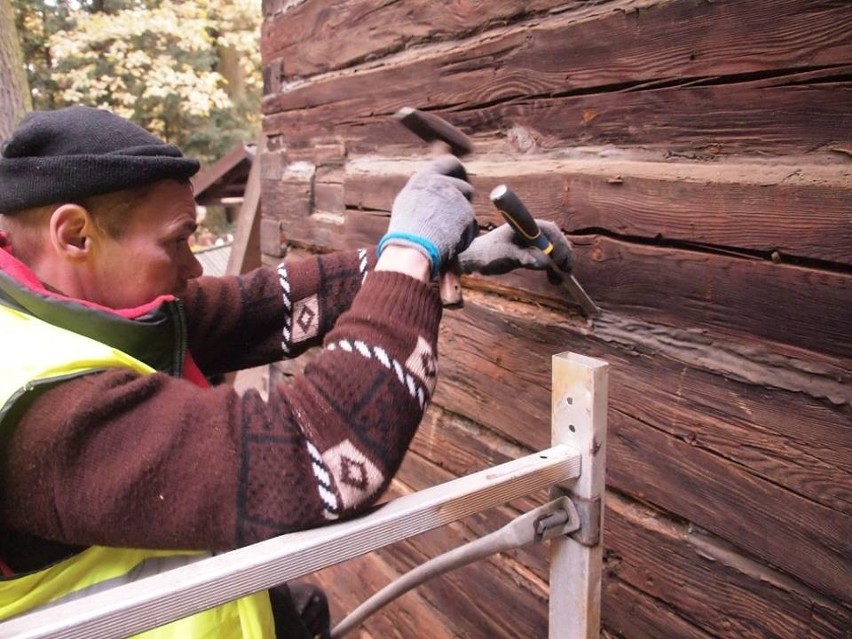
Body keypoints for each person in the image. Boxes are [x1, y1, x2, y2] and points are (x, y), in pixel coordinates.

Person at [0, 106, 574, 637]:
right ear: (74, 235)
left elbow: (253, 308)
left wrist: (436, 254)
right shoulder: (39, 413)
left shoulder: (53, 305)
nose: (194, 266)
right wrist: (411, 252)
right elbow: (317, 455)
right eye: (176, 241)